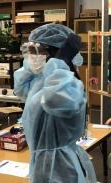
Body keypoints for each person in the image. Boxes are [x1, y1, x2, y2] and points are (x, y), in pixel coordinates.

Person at [14, 23, 96, 183]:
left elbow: (56, 100)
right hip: (43, 165)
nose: (31, 56)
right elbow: (21, 89)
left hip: (61, 169)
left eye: (36, 50)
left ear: (53, 52)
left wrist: (60, 62)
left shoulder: (66, 82)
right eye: (30, 50)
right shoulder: (43, 80)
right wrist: (33, 68)